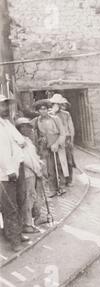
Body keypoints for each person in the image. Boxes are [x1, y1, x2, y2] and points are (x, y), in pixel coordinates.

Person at [0, 95, 29, 252]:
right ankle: (14, 240)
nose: (4, 109)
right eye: (1, 106)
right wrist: (9, 170)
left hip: (17, 167)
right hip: (5, 173)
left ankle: (15, 232)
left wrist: (20, 143)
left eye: (5, 106)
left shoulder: (6, 123)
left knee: (19, 201)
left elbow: (20, 139)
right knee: (9, 205)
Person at [31, 100, 68, 197]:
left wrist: (57, 144)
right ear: (38, 111)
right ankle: (53, 189)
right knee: (49, 169)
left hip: (58, 145)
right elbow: (29, 129)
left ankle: (62, 186)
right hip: (46, 147)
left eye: (44, 109)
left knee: (60, 166)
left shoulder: (55, 119)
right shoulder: (37, 121)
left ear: (48, 109)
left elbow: (62, 133)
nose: (43, 111)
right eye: (40, 109)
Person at [15, 118, 44, 234]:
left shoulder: (28, 141)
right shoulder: (20, 142)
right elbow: (26, 160)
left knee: (32, 196)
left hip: (32, 172)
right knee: (28, 197)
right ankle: (27, 224)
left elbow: (34, 157)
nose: (26, 129)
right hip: (27, 173)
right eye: (23, 127)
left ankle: (31, 221)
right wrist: (38, 171)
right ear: (19, 129)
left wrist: (40, 164)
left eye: (28, 127)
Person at [49, 94, 76, 187]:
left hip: (66, 139)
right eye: (55, 104)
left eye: (59, 104)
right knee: (58, 161)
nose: (57, 106)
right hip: (55, 139)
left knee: (68, 160)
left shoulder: (66, 114)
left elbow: (71, 127)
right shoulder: (49, 114)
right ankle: (61, 180)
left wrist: (71, 141)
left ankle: (69, 180)